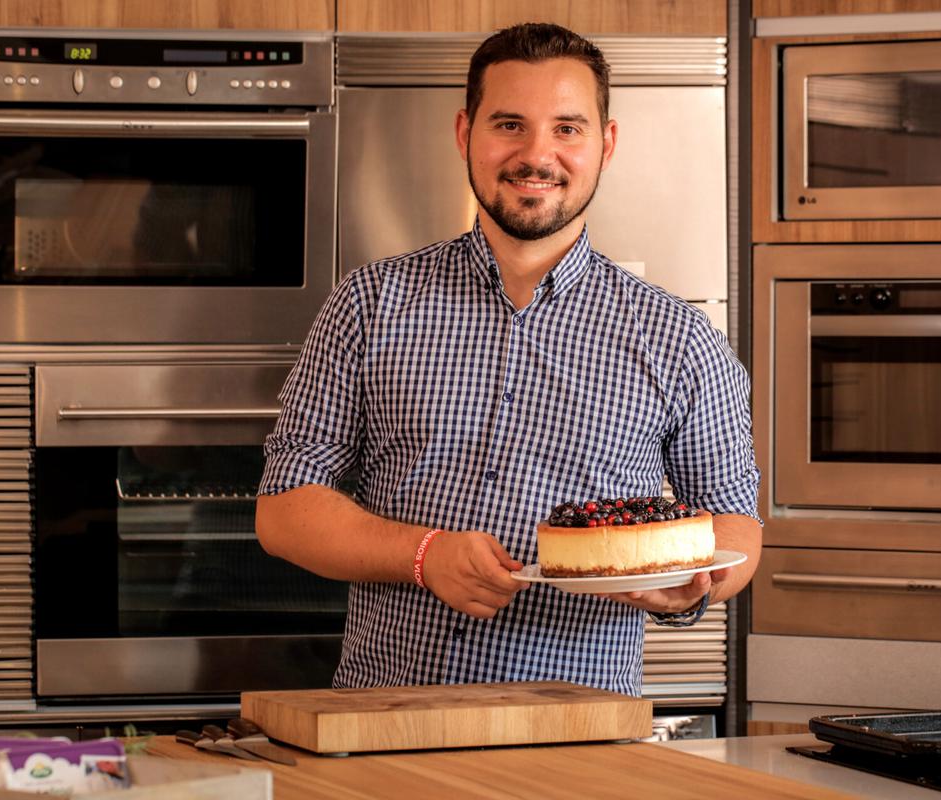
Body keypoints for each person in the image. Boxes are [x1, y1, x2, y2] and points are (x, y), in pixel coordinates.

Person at [256, 22, 761, 696]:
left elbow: (735, 524)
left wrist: (689, 589)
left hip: (582, 734)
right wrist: (423, 556)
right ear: (465, 134)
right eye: (510, 125)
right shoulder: (369, 304)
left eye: (567, 129)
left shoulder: (681, 339)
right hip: (387, 718)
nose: (537, 154)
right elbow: (285, 508)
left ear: (605, 145)